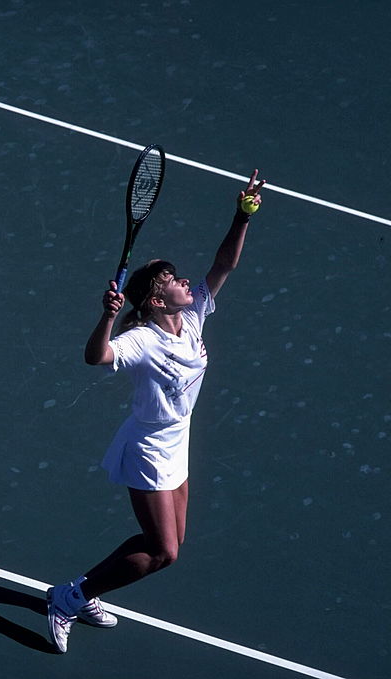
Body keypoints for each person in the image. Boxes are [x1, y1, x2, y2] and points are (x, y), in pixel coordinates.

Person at [46, 170, 266, 653]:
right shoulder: (143, 339)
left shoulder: (193, 315)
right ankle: (68, 598)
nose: (186, 280)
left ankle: (83, 591)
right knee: (164, 550)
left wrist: (242, 215)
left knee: (170, 546)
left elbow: (224, 264)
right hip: (147, 447)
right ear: (155, 299)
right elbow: (97, 357)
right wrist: (107, 316)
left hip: (177, 438)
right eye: (172, 280)